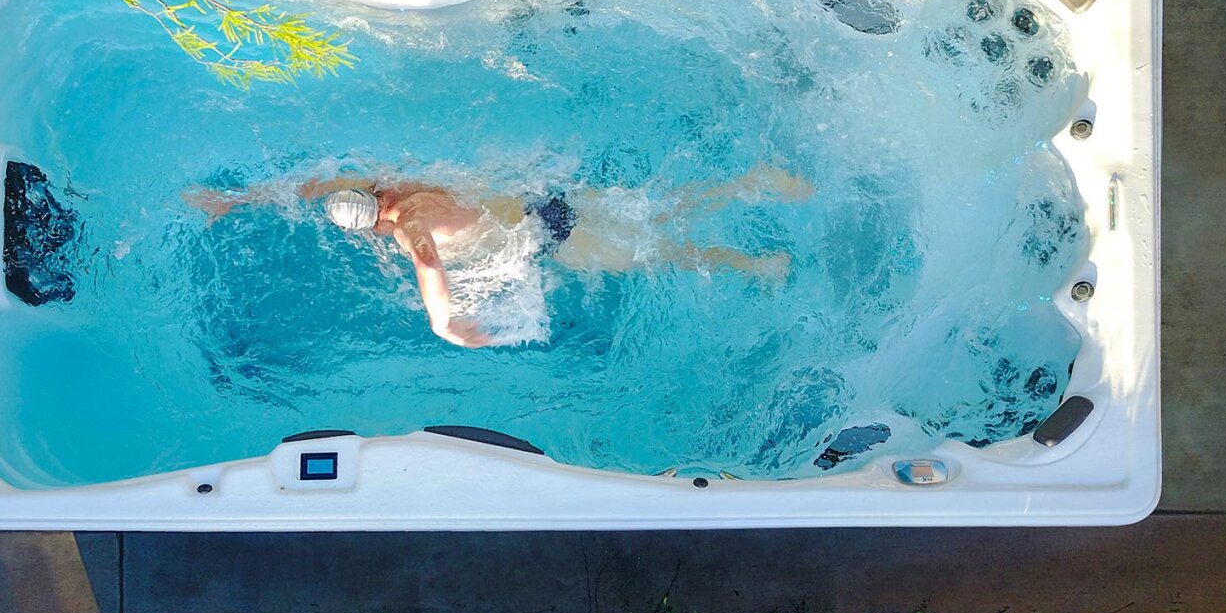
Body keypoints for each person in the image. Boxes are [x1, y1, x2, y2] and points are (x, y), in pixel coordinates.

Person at [183, 167, 812, 349]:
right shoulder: (386, 181)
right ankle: (751, 182)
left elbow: (427, 262)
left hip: (554, 239)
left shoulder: (408, 224)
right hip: (544, 201)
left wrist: (443, 322)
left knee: (664, 252)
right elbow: (310, 185)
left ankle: (757, 265)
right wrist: (234, 201)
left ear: (372, 220)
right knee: (662, 207)